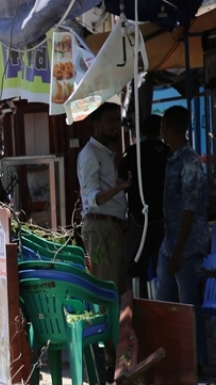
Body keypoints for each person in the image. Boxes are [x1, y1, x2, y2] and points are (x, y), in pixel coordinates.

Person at [159, 105, 209, 370]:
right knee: (165, 302)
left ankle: (197, 361)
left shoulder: (188, 161)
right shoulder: (173, 158)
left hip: (186, 246)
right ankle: (171, 359)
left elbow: (190, 208)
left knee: (188, 306)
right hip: (171, 244)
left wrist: (178, 250)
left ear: (167, 128)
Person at [78, 102, 133, 298]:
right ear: (97, 124)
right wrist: (118, 188)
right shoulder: (91, 154)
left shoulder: (105, 153)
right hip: (102, 228)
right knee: (106, 293)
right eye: (110, 121)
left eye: (117, 120)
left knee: (115, 288)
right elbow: (93, 199)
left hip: (111, 227)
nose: (115, 125)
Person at [119, 114, 170, 292]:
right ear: (161, 130)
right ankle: (163, 307)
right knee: (163, 269)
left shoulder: (133, 152)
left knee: (133, 267)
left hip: (139, 218)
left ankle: (136, 307)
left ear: (142, 132)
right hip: (165, 220)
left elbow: (121, 183)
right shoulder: (169, 153)